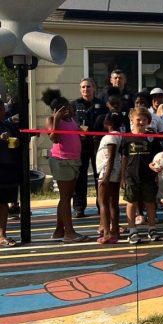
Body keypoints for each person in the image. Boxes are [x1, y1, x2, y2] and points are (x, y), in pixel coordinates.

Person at [43, 89, 88, 242]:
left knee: (66, 197)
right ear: (55, 110)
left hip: (74, 160)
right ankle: (69, 232)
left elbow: (76, 133)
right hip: (62, 161)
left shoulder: (72, 119)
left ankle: (58, 231)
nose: (67, 111)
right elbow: (54, 138)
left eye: (68, 107)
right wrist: (57, 118)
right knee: (65, 198)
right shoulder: (52, 120)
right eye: (63, 109)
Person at [120, 107, 161, 244]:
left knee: (150, 202)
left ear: (148, 121)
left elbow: (157, 157)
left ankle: (152, 228)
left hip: (148, 176)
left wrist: (156, 171)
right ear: (132, 119)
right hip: (131, 176)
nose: (141, 122)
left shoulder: (152, 138)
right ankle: (132, 230)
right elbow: (124, 158)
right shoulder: (126, 138)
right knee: (132, 202)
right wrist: (122, 176)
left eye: (144, 120)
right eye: (138, 119)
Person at [71, 77, 106, 217]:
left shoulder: (102, 104)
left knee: (100, 175)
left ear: (94, 88)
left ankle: (101, 205)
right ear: (80, 89)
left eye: (89, 87)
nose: (86, 89)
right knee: (80, 177)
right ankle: (79, 207)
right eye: (83, 87)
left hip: (98, 145)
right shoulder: (74, 105)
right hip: (80, 145)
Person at [95, 113, 123, 244]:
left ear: (107, 124)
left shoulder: (111, 137)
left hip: (107, 171)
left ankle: (106, 233)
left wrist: (105, 177)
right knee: (112, 202)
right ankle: (115, 230)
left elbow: (110, 158)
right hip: (114, 171)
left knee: (103, 202)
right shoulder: (119, 135)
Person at [0, 102, 20, 246]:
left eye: (2, 109)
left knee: (3, 202)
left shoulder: (7, 125)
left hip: (7, 167)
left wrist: (16, 142)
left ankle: (2, 234)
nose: (1, 112)